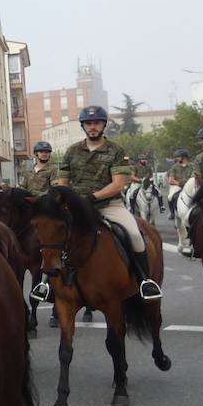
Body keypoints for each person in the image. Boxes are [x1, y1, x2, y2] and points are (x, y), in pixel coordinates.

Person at [55, 105, 161, 299]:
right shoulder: (71, 151)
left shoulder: (116, 151)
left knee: (135, 235)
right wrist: (66, 200)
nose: (92, 127)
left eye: (96, 123)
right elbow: (63, 182)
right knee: (52, 236)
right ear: (83, 126)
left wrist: (91, 198)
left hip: (109, 206)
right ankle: (47, 285)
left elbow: (118, 184)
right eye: (88, 123)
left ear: (103, 125)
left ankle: (144, 280)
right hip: (77, 208)